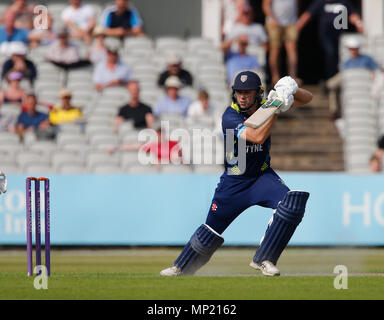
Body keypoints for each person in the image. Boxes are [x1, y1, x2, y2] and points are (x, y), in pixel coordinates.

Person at [160, 71, 313, 277]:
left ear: (257, 93)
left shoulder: (267, 104)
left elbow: (307, 98)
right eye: (239, 92)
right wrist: (275, 108)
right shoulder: (230, 116)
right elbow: (257, 137)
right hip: (234, 181)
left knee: (292, 204)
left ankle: (265, 259)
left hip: (261, 177)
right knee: (210, 231)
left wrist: (290, 88)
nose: (242, 96)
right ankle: (181, 267)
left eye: (247, 92)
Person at [296, 0, 364, 81]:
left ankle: (340, 79)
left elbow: (353, 15)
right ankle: (331, 79)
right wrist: (297, 27)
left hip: (340, 37)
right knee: (331, 53)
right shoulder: (320, 3)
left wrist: (359, 23)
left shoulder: (344, 2)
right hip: (326, 36)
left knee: (342, 56)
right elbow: (307, 15)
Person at [326, 36, 381, 117]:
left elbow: (376, 69)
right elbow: (344, 75)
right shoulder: (347, 62)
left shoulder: (367, 59)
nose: (353, 50)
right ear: (349, 49)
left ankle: (328, 85)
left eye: (355, 48)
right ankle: (334, 111)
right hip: (350, 83)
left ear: (358, 49)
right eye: (352, 48)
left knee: (332, 85)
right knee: (333, 89)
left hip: (364, 82)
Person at [262, 0, 299, 85]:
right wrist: (273, 19)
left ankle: (292, 77)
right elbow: (265, 5)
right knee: (275, 50)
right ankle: (275, 77)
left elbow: (297, 4)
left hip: (291, 22)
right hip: (274, 22)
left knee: (292, 48)